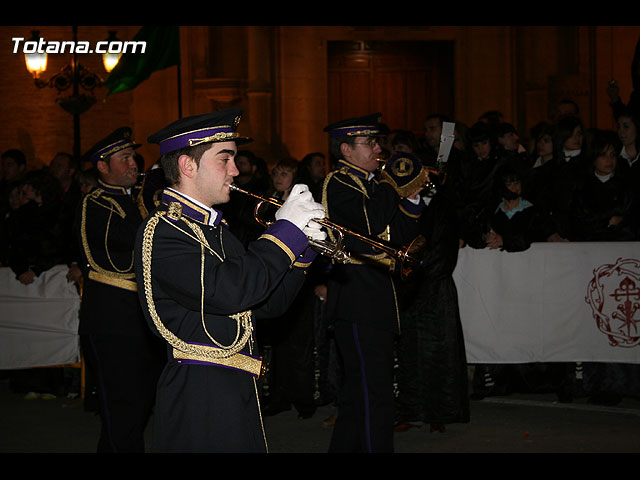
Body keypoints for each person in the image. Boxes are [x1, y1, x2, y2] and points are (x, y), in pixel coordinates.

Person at [135, 108, 327, 453]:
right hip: (199, 389)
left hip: (236, 382)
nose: (236, 171)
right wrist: (285, 232)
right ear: (187, 166)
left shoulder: (217, 232)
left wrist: (304, 251)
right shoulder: (163, 231)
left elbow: (268, 304)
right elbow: (231, 291)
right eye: (225, 159)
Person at [321, 113, 426, 453]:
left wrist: (411, 196)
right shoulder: (338, 183)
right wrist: (393, 183)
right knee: (375, 394)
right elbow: (368, 228)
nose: (379, 148)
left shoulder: (372, 183)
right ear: (347, 149)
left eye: (378, 142)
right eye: (371, 143)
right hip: (357, 299)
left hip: (380, 297)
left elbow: (402, 236)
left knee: (359, 393)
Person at [75, 127, 165, 452]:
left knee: (138, 404)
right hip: (112, 320)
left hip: (144, 318)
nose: (133, 164)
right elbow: (123, 248)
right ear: (102, 166)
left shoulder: (139, 197)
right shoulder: (95, 203)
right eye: (124, 158)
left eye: (133, 157)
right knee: (121, 406)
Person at [394, 162, 470, 434]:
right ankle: (412, 411)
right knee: (410, 352)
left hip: (434, 288)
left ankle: (440, 411)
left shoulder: (443, 205)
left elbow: (445, 251)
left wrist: (419, 275)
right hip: (409, 288)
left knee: (439, 352)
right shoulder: (398, 203)